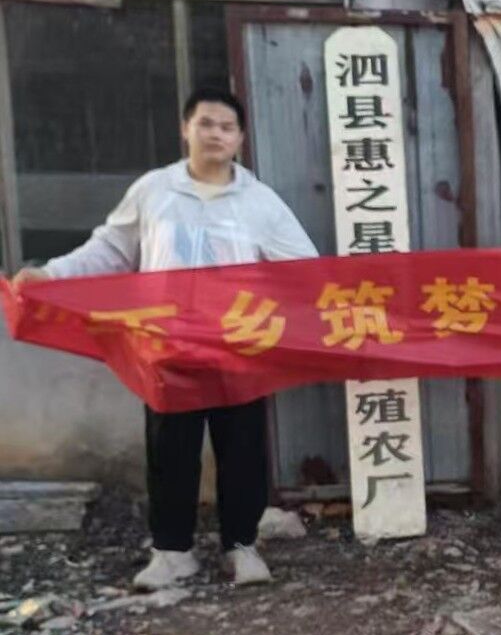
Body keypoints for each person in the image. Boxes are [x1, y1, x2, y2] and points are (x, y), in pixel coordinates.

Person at [8, 88, 317, 590]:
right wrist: (53, 274)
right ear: (185, 129)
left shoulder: (259, 201)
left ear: (240, 139)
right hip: (168, 345)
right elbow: (110, 249)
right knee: (170, 449)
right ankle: (172, 552)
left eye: (226, 127)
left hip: (238, 344)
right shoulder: (154, 191)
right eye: (205, 123)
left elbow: (302, 265)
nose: (215, 134)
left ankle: (241, 546)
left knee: (242, 448)